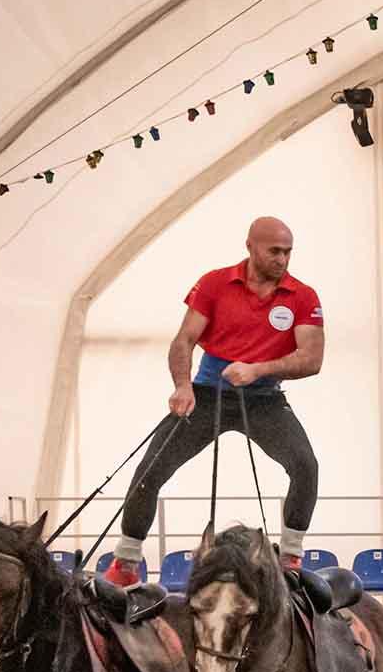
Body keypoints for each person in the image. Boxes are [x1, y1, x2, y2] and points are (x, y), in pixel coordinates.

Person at [102, 216, 324, 586]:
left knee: (305, 465)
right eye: (274, 251)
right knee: (151, 468)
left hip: (264, 399)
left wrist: (257, 369)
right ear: (250, 246)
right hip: (207, 394)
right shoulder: (215, 283)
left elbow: (312, 359)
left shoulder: (303, 296)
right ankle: (125, 562)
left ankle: (290, 558)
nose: (282, 259)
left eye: (288, 252)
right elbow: (184, 341)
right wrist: (182, 386)